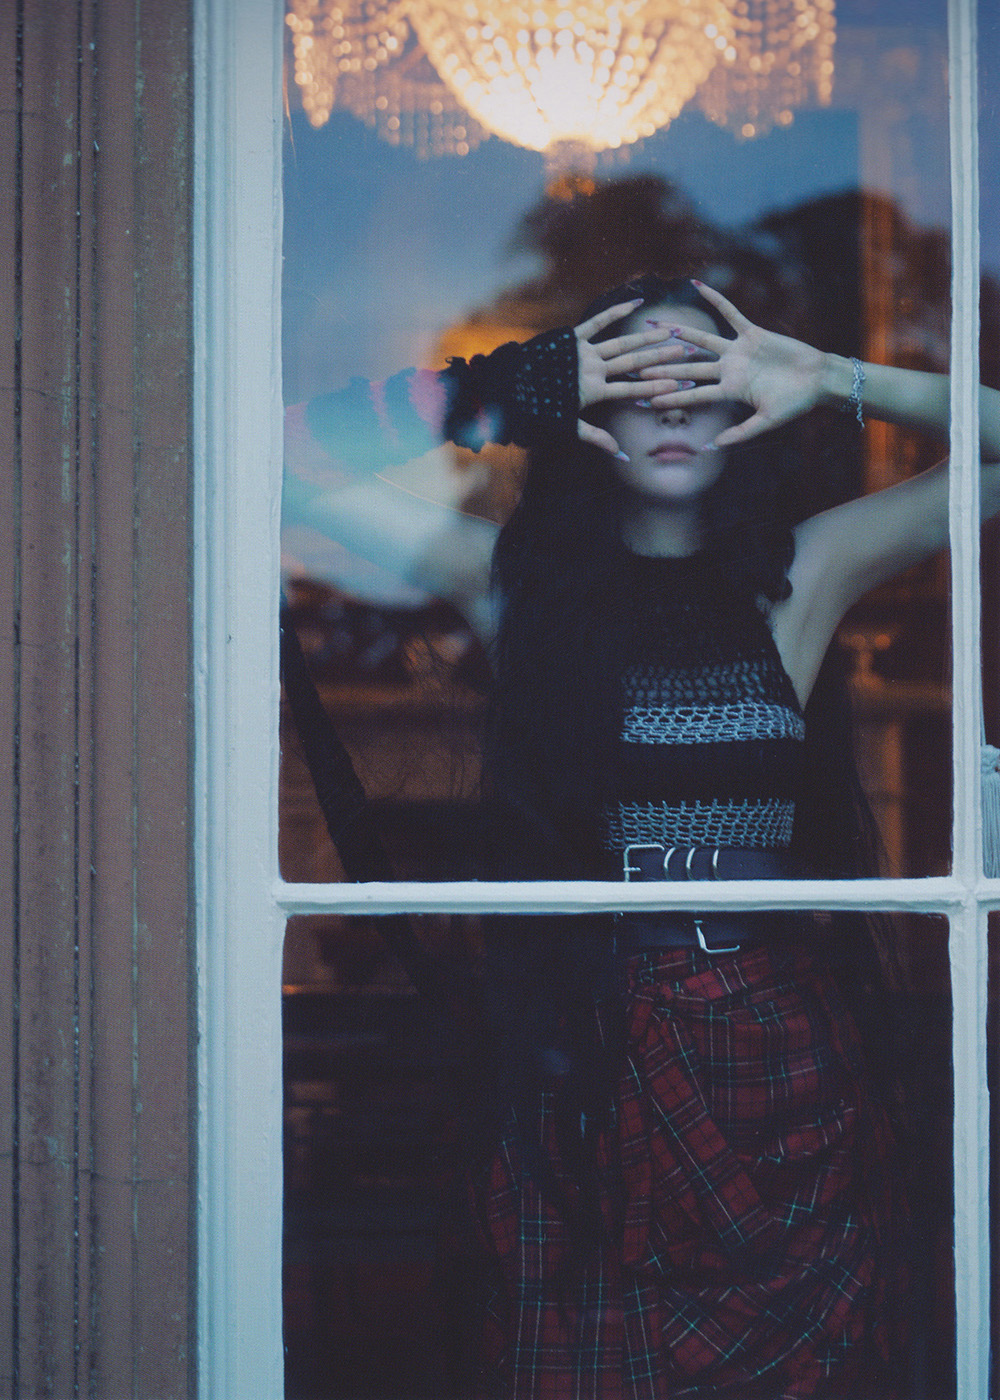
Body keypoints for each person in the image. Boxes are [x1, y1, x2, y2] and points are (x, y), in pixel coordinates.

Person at [283, 274, 1000, 1398]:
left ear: (746, 403)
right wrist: (504, 387)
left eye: (704, 376)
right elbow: (278, 463)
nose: (671, 404)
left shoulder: (803, 573)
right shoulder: (508, 582)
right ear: (589, 405)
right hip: (579, 1050)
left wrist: (829, 376)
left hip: (771, 1053)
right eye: (634, 375)